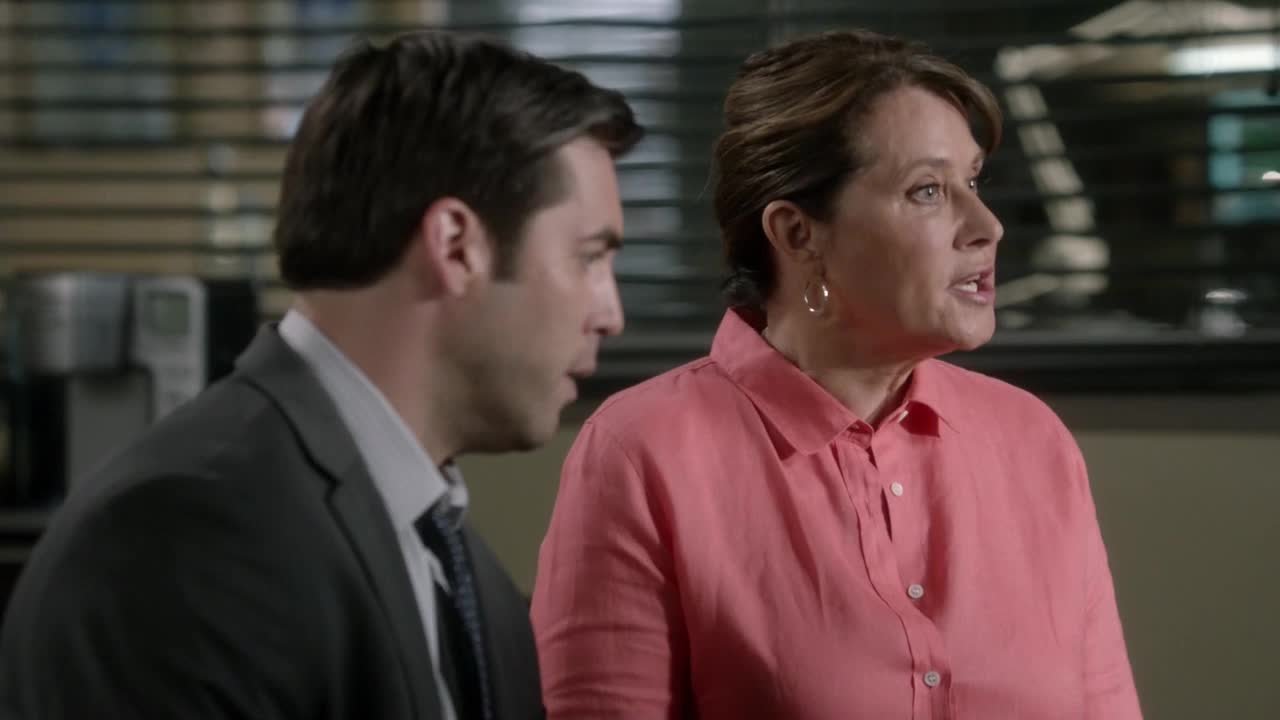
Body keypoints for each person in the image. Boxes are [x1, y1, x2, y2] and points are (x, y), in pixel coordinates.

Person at [0, 31, 640, 720]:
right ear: (456, 246)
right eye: (589, 258)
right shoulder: (182, 544)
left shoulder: (470, 583)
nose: (611, 315)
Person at [531, 28, 1142, 719]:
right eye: (927, 191)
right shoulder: (643, 451)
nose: (986, 225)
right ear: (798, 234)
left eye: (972, 182)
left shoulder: (1033, 441)